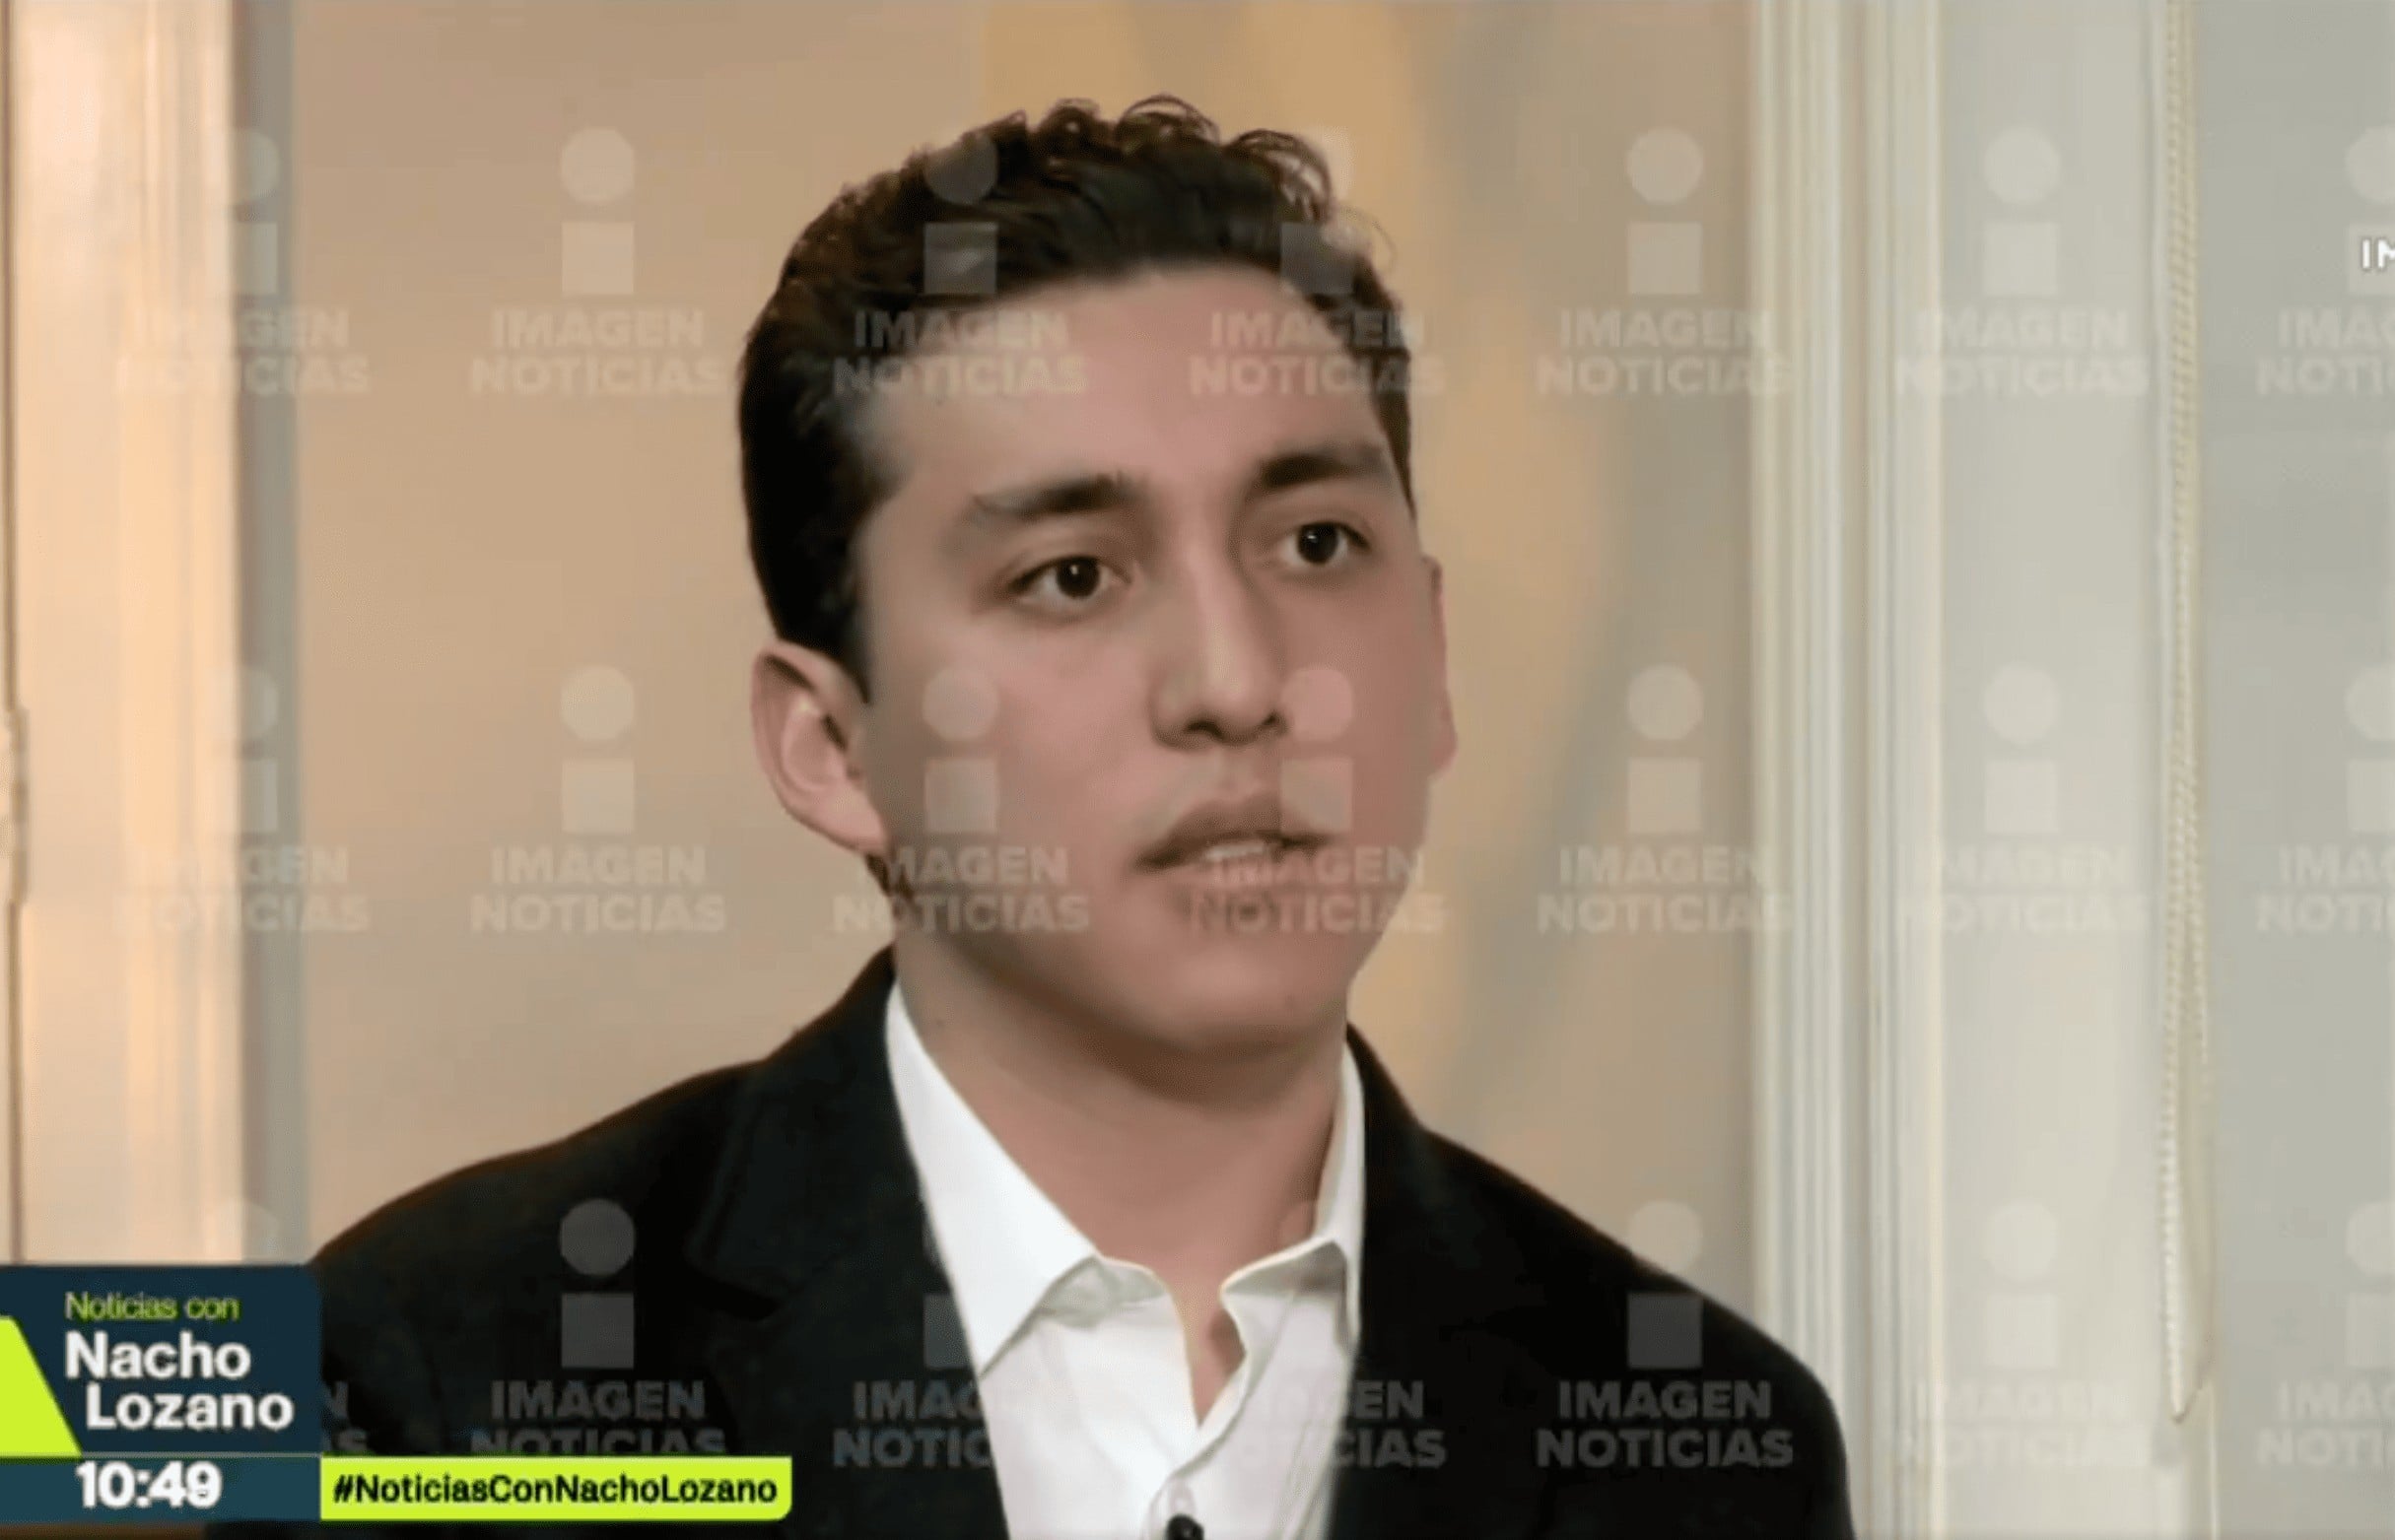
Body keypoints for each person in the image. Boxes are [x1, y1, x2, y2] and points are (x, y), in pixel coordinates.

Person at [222, 95, 1855, 1539]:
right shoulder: (425, 1376)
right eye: (1072, 576)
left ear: (1431, 657)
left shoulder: (1708, 1450)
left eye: (1313, 546)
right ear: (831, 745)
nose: (1236, 681)